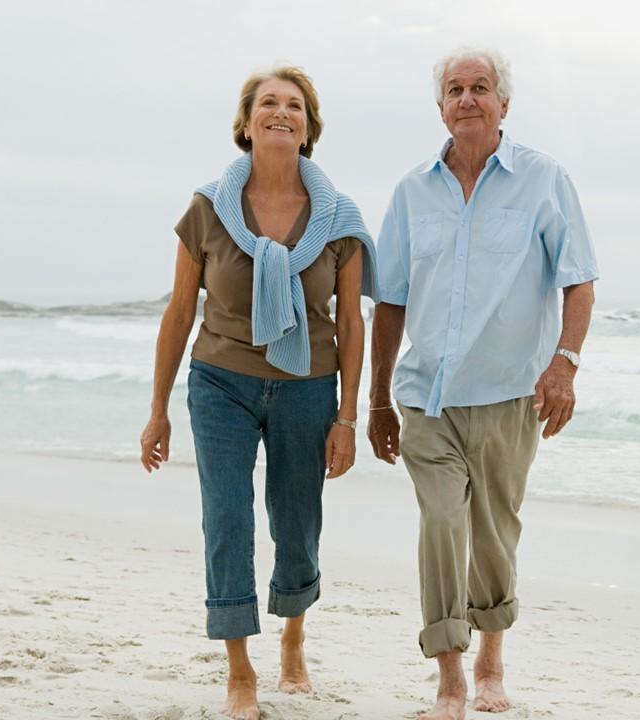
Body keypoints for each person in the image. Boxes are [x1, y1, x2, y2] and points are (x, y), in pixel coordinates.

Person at [138, 65, 377, 720]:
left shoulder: (340, 219)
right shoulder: (207, 208)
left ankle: (294, 640)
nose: (281, 112)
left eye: (293, 105)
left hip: (307, 387)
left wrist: (348, 416)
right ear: (246, 125)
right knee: (227, 517)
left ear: (309, 126)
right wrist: (157, 409)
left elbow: (353, 323)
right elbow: (180, 311)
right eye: (267, 103)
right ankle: (240, 669)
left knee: (297, 524)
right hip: (220, 381)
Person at [367, 47, 598, 720]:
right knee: (442, 522)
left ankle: (493, 656)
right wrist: (377, 398)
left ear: (503, 103)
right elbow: (390, 301)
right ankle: (450, 678)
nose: (467, 98)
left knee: (495, 531)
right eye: (455, 89)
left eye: (481, 88)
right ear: (440, 106)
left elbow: (578, 279)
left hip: (507, 395)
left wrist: (566, 362)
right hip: (426, 398)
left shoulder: (543, 179)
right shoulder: (413, 191)